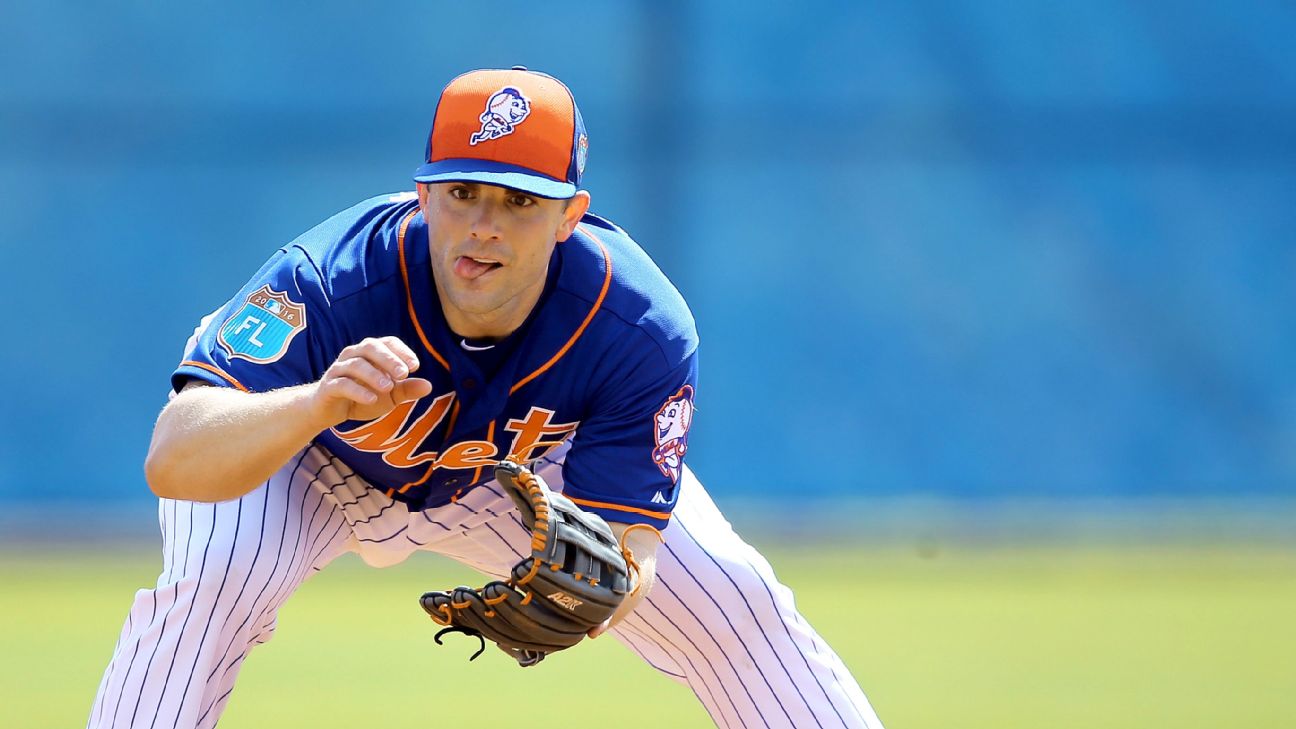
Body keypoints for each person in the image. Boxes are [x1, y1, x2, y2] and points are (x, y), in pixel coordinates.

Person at [86, 66, 885, 729]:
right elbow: (176, 456)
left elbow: (631, 545)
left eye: (520, 200)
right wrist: (316, 402)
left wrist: (601, 591)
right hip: (310, 460)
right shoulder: (329, 280)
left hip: (504, 476)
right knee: (215, 579)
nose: (484, 225)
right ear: (424, 195)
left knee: (732, 602)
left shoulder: (635, 327)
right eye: (464, 191)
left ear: (572, 215)